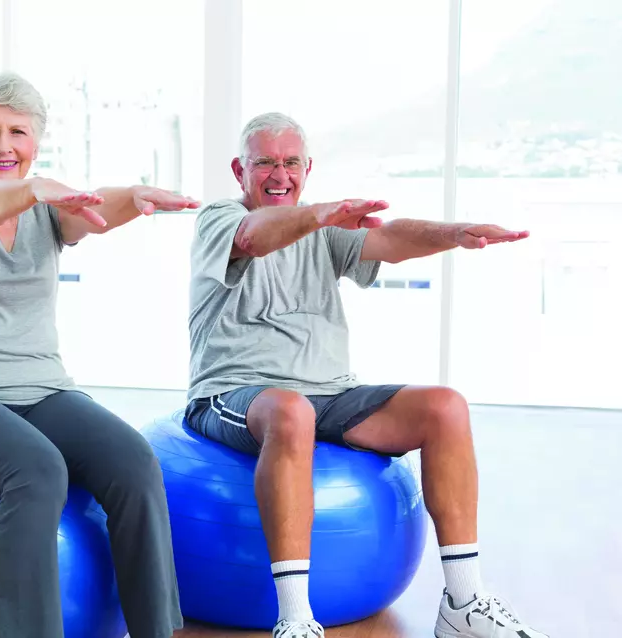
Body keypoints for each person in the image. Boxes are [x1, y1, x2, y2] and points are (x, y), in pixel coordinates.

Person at [185, 112, 546, 638]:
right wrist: (319, 215)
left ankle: (464, 602)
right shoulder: (220, 218)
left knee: (445, 406)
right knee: (291, 410)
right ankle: (296, 618)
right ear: (240, 169)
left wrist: (458, 233)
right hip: (235, 390)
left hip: (331, 392)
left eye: (290, 163)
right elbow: (254, 237)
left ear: (307, 169)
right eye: (265, 162)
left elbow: (389, 241)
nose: (279, 174)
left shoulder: (322, 227)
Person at [0, 70, 199, 638]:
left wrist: (135, 196)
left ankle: (157, 631)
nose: (3, 145)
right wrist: (36, 189)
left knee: (133, 461)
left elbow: (90, 210)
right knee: (37, 470)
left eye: (17, 132)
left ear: (34, 142)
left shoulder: (48, 211)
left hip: (37, 387)